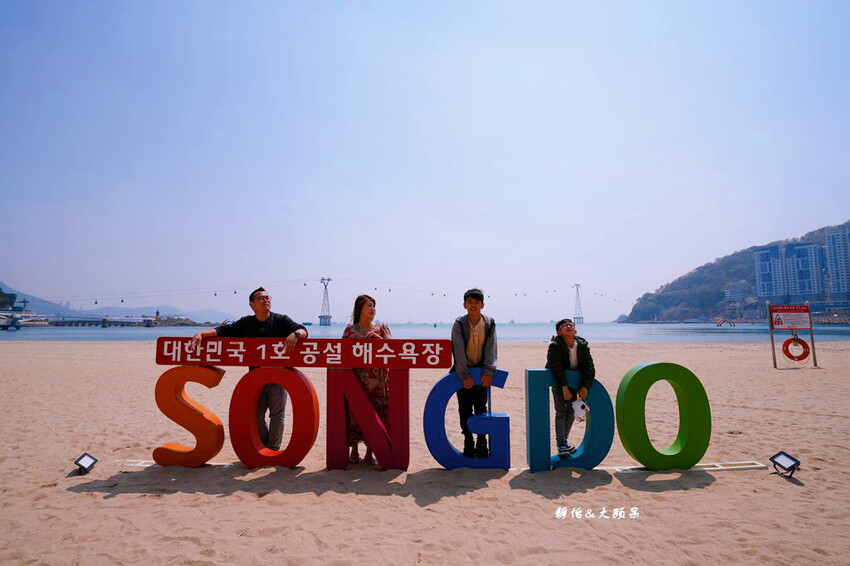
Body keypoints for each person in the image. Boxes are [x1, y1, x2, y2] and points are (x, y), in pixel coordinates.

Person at [189, 287, 307, 451]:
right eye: (261, 298)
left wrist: (296, 335)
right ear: (251, 305)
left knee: (277, 415)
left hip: (279, 376)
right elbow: (223, 330)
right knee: (255, 415)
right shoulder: (246, 323)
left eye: (268, 298)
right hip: (255, 377)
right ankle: (264, 447)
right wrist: (202, 334)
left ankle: (273, 448)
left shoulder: (281, 320)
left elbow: (302, 329)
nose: (266, 300)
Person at [341, 294, 391, 465]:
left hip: (378, 379)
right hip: (356, 378)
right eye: (368, 305)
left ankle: (371, 452)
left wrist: (379, 339)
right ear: (359, 309)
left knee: (377, 412)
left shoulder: (381, 328)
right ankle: (353, 450)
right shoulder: (350, 331)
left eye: (373, 305)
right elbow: (341, 353)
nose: (372, 309)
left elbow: (393, 350)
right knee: (353, 413)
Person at [450, 288, 497, 458]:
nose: (473, 305)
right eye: (469, 302)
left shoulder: (490, 323)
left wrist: (488, 371)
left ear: (482, 305)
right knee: (464, 408)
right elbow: (458, 350)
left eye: (477, 302)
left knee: (481, 407)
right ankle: (468, 441)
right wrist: (464, 376)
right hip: (463, 373)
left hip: (482, 373)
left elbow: (492, 348)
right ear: (464, 305)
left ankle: (482, 441)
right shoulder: (459, 324)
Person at [545, 318, 595, 457]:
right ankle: (562, 444)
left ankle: (563, 442)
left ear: (575, 330)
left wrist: (585, 386)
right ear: (559, 332)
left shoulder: (583, 346)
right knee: (561, 412)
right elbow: (556, 368)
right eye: (564, 325)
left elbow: (589, 367)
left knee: (572, 411)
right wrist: (564, 387)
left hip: (575, 382)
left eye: (570, 324)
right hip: (559, 382)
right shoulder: (555, 346)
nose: (568, 326)